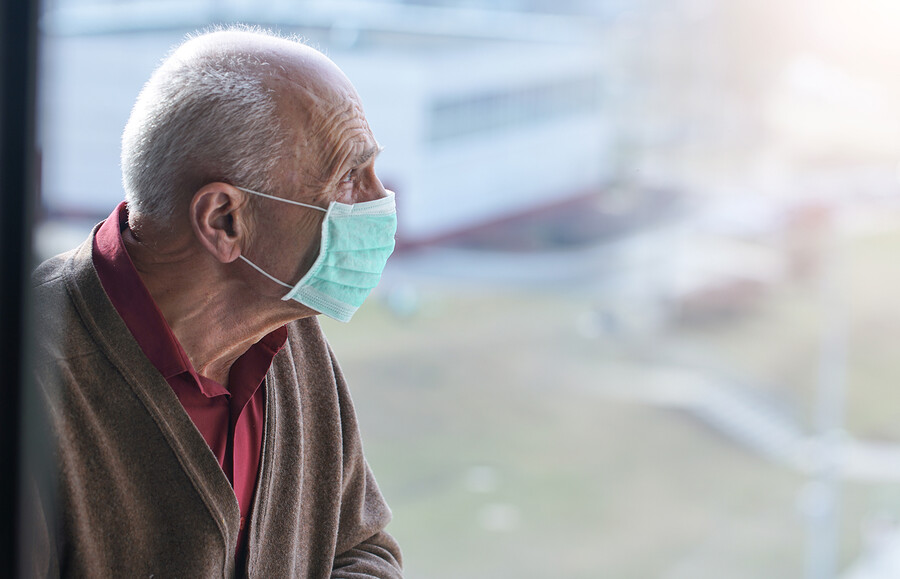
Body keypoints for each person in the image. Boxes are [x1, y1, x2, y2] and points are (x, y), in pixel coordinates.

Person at [29, 27, 403, 578]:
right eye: (349, 177)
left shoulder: (289, 330)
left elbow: (362, 549)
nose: (381, 198)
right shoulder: (33, 379)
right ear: (224, 220)